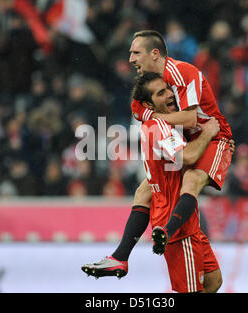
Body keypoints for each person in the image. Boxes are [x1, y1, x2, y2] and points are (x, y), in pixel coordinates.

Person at [82, 30, 233, 281]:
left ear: (155, 54)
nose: (130, 59)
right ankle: (120, 257)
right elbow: (158, 126)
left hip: (215, 137)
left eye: (135, 52)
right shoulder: (142, 97)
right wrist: (162, 124)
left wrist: (159, 119)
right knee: (144, 190)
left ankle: (168, 231)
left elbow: (191, 118)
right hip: (186, 141)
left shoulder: (182, 73)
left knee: (192, 179)